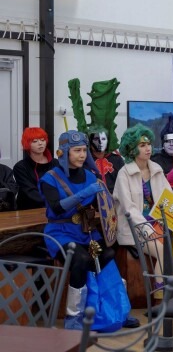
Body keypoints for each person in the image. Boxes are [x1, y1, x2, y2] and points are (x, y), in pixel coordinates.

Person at [39, 130, 128, 330]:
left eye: (83, 150)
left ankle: (113, 310)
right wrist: (85, 193)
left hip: (85, 231)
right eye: (77, 150)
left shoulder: (90, 176)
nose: (82, 155)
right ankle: (74, 318)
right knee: (80, 260)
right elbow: (57, 208)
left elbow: (102, 206)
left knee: (108, 254)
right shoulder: (50, 178)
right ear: (64, 152)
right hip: (60, 232)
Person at [113, 124, 172, 274]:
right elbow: (129, 209)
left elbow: (169, 199)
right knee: (163, 251)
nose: (148, 148)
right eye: (142, 145)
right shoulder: (124, 173)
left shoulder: (157, 169)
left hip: (159, 225)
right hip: (135, 229)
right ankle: (161, 288)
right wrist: (147, 229)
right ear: (132, 149)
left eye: (149, 144)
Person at [13, 127, 59, 209]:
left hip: (54, 207)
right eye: (35, 141)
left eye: (43, 140)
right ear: (27, 144)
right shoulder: (20, 167)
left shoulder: (55, 163)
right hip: (28, 209)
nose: (40, 143)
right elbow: (30, 192)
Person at [88, 124, 124, 194]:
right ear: (90, 142)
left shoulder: (117, 159)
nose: (100, 142)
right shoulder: (85, 161)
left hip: (115, 198)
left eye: (103, 139)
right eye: (96, 139)